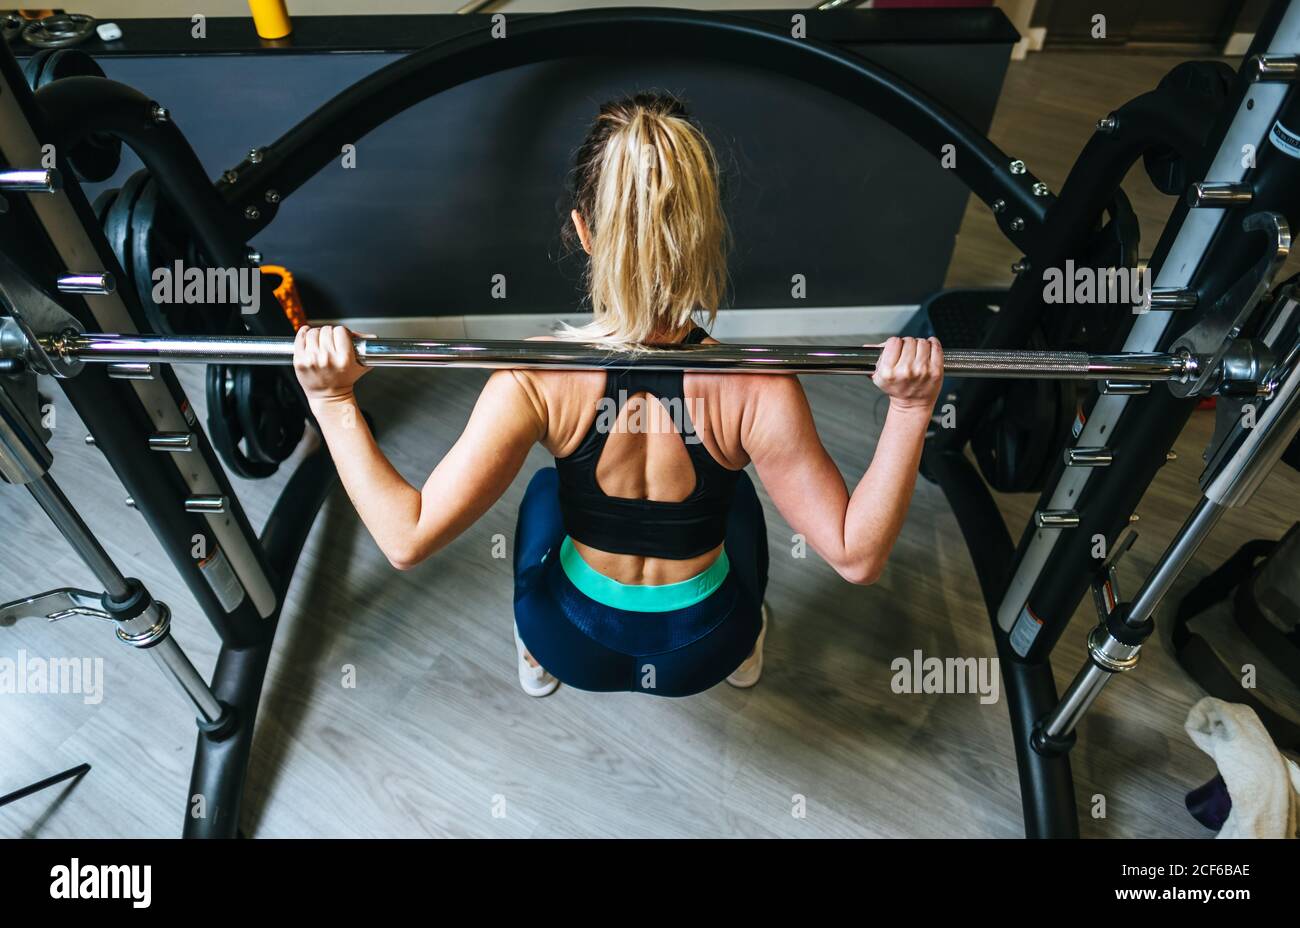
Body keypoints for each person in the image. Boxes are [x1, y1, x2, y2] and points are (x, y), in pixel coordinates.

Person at [292, 92, 943, 699]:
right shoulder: (760, 386)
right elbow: (857, 556)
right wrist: (911, 410)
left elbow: (404, 538)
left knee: (546, 489)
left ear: (582, 229)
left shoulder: (530, 377)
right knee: (738, 491)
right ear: (706, 231)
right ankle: (745, 653)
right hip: (702, 650)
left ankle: (534, 656)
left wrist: (333, 402)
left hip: (574, 643)